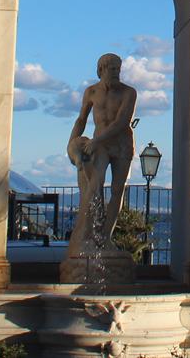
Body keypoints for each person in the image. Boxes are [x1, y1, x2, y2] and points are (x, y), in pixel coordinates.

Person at [66, 53, 138, 252]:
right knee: (95, 184)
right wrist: (71, 143)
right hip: (101, 145)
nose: (116, 73)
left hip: (121, 143)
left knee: (117, 190)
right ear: (101, 71)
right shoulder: (91, 92)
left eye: (118, 69)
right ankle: (90, 232)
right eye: (112, 69)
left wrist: (96, 140)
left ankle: (105, 238)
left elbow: (122, 121)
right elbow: (81, 120)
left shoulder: (129, 92)